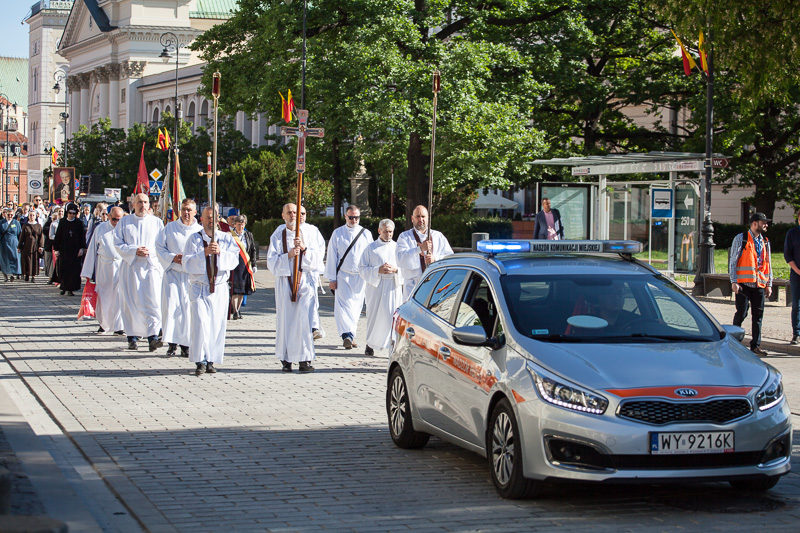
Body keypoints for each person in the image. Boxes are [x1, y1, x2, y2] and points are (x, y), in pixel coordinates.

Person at [182, 206, 240, 376]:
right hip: (200, 287)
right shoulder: (194, 239)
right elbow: (187, 263)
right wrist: (204, 253)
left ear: (217, 219)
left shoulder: (226, 238)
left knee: (216, 325)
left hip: (219, 288)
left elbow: (234, 260)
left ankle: (211, 359)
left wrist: (221, 253)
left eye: (213, 217)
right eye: (207, 217)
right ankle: (200, 360)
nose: (210, 221)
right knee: (200, 323)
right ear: (201, 219)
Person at [267, 203, 325, 372]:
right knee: (286, 320)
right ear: (283, 215)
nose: (294, 215)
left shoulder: (311, 232)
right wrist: (289, 255)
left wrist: (305, 249)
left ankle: (304, 359)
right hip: (285, 281)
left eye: (296, 212)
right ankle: (286, 359)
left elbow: (319, 258)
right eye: (290, 212)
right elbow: (271, 262)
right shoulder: (278, 234)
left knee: (304, 320)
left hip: (305, 280)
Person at [114, 193, 165, 351]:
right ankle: (132, 337)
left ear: (149, 204)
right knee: (131, 302)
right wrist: (134, 250)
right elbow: (117, 243)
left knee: (153, 302)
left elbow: (162, 245)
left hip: (151, 267)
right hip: (131, 267)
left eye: (145, 202)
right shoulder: (124, 222)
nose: (143, 205)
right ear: (133, 204)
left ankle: (153, 338)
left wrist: (149, 251)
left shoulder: (157, 223)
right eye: (140, 202)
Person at [155, 199, 201, 357]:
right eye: (184, 209)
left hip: (191, 277)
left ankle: (186, 345)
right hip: (173, 274)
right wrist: (173, 257)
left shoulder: (199, 231)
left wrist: (191, 261)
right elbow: (159, 247)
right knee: (171, 308)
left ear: (195, 212)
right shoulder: (170, 228)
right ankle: (172, 343)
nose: (186, 213)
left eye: (189, 210)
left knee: (188, 311)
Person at [324, 205, 373, 348]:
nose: (354, 220)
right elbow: (332, 256)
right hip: (343, 275)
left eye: (356, 217)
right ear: (345, 216)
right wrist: (332, 278)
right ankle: (347, 335)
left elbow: (371, 255)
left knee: (356, 307)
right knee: (343, 306)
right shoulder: (338, 233)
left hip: (360, 276)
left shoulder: (366, 234)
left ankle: (351, 334)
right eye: (351, 217)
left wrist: (371, 275)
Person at [730, 212, 773, 357]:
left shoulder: (765, 241)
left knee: (758, 316)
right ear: (755, 223)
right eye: (763, 222)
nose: (766, 225)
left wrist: (769, 284)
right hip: (744, 284)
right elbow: (733, 261)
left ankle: (755, 346)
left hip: (759, 284)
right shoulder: (741, 238)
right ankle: (733, 343)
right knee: (741, 313)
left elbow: (768, 264)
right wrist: (734, 281)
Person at [359, 219, 403, 356]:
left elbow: (406, 268)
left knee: (391, 316)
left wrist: (396, 270)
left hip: (393, 285)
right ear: (379, 231)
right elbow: (362, 268)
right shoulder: (371, 248)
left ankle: (392, 345)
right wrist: (377, 270)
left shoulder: (398, 247)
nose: (388, 234)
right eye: (385, 231)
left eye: (390, 232)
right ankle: (370, 344)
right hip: (376, 286)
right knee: (374, 315)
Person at [81, 207, 125, 335]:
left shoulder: (125, 229)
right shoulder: (100, 228)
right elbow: (92, 249)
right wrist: (88, 272)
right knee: (104, 296)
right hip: (104, 266)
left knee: (120, 296)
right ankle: (103, 324)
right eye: (114, 219)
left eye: (119, 220)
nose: (116, 222)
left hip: (120, 266)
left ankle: (119, 326)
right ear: (109, 216)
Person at [396, 205, 454, 300]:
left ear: (428, 218)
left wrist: (435, 259)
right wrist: (419, 249)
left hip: (435, 284)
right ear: (412, 218)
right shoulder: (404, 237)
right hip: (412, 286)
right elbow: (400, 259)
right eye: (417, 216)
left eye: (423, 216)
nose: (420, 219)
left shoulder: (438, 236)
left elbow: (450, 257)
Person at [52, 203, 86, 296]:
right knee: (63, 269)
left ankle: (70, 289)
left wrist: (82, 248)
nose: (72, 215)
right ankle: (63, 287)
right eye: (70, 213)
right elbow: (58, 236)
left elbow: (82, 237)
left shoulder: (79, 223)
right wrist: (56, 249)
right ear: (67, 213)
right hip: (64, 249)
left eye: (74, 213)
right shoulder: (63, 222)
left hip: (75, 251)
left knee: (73, 271)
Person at [230, 214, 256, 320]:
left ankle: (238, 309)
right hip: (234, 265)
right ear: (235, 224)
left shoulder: (248, 235)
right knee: (235, 289)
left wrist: (254, 264)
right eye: (238, 224)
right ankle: (235, 311)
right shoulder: (230, 235)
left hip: (245, 265)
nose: (240, 227)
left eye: (242, 224)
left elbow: (253, 249)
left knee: (242, 290)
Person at [784, 209, 800, 345]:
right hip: (797, 274)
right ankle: (797, 333)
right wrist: (798, 270)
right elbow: (787, 255)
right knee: (797, 304)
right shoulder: (792, 233)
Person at [18, 211, 44, 282]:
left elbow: (41, 237)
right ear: (28, 216)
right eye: (30, 215)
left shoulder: (38, 226)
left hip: (35, 246)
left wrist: (41, 246)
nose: (32, 217)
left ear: (35, 216)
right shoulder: (25, 226)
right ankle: (26, 274)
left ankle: (33, 276)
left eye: (33, 215)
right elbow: (22, 237)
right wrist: (19, 247)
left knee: (34, 260)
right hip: (26, 245)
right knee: (26, 260)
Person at [0, 208, 22, 281]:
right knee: (4, 259)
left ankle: (13, 273)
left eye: (11, 215)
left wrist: (20, 244)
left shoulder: (16, 223)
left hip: (14, 242)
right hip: (4, 243)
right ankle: (5, 275)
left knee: (14, 258)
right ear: (5, 214)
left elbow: (19, 233)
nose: (10, 216)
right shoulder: (1, 222)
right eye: (8, 214)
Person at [42, 209, 58, 283]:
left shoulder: (60, 223)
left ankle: (51, 278)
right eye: (53, 218)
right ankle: (49, 275)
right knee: (48, 262)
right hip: (48, 245)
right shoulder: (48, 223)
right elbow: (44, 230)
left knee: (53, 263)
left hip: (56, 245)